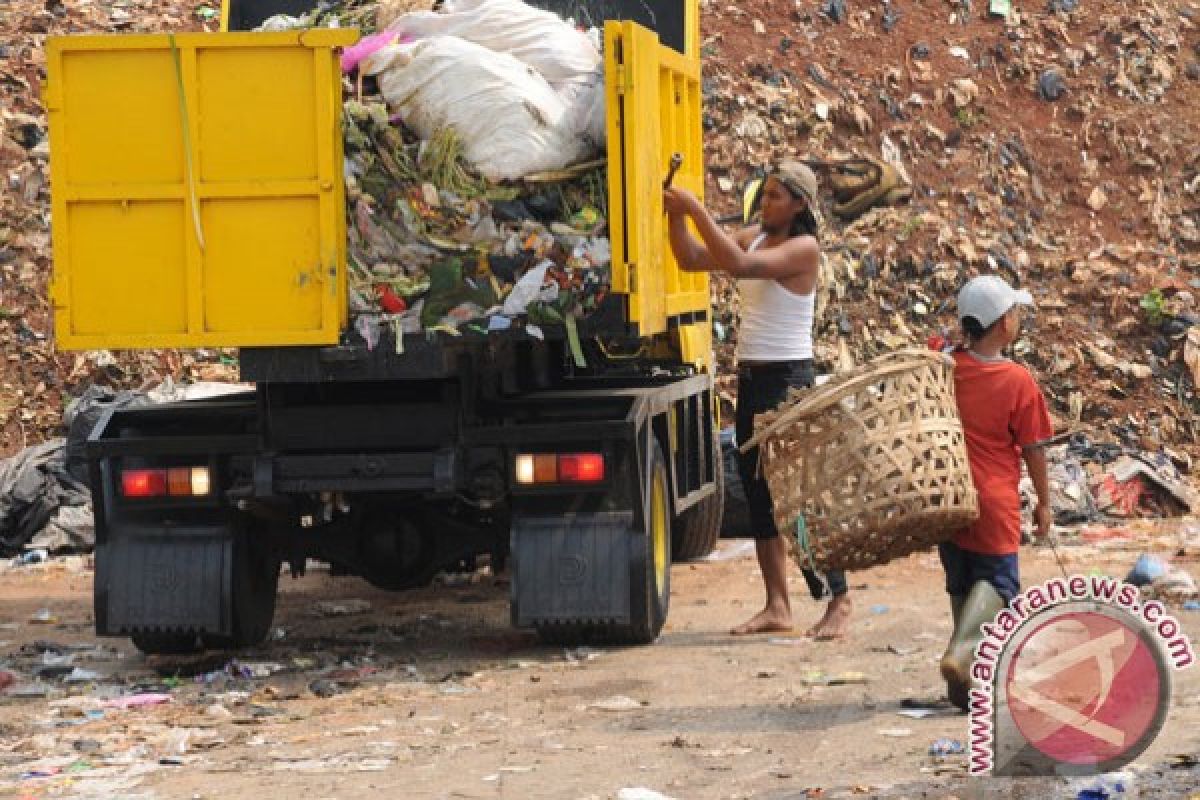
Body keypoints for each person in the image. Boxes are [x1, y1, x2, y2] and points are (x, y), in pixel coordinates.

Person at [663, 161, 852, 639]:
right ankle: (777, 605)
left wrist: (695, 207)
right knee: (761, 494)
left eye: (773, 197)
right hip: (752, 378)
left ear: (799, 205)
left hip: (788, 381)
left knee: (800, 494)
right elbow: (689, 258)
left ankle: (840, 598)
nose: (763, 204)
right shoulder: (754, 236)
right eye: (763, 195)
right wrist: (675, 214)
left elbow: (741, 267)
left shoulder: (803, 249)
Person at [938, 275, 1054, 709]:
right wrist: (1044, 502)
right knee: (1000, 584)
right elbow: (1034, 449)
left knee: (962, 582)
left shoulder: (947, 368)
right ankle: (961, 656)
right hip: (994, 502)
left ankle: (964, 690)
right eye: (1016, 312)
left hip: (948, 497)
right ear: (1005, 323)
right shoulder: (1017, 380)